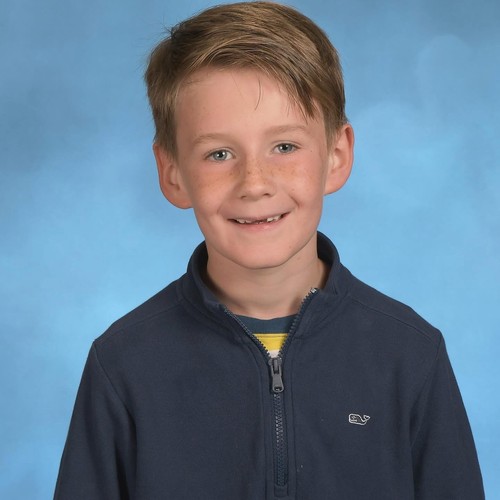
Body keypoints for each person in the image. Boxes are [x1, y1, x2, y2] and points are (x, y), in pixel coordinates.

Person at [54, 2, 484, 499]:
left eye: (284, 147)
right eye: (219, 154)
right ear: (172, 173)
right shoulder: (123, 365)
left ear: (337, 156)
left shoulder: (409, 353)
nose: (254, 183)